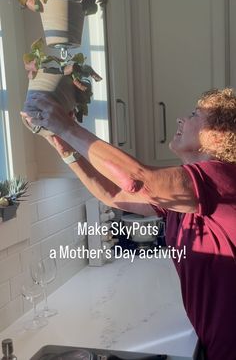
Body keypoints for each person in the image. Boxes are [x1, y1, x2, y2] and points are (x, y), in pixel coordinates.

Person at [22, 87, 236, 360]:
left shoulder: (222, 178)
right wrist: (63, 146)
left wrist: (65, 126)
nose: (181, 119)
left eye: (195, 114)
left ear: (218, 136)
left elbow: (137, 180)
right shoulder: (186, 195)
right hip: (216, 340)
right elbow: (113, 194)